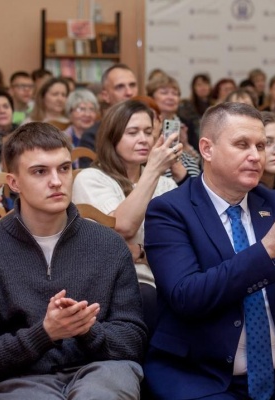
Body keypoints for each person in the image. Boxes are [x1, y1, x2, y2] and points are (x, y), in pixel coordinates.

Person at [143, 101, 275, 400]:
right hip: (199, 373)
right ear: (207, 149)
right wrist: (265, 250)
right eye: (242, 144)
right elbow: (187, 297)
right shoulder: (169, 211)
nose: (256, 156)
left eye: (260, 146)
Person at [0, 122, 146, 397]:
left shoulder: (109, 245)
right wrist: (45, 333)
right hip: (24, 378)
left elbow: (133, 342)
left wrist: (87, 330)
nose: (56, 181)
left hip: (102, 369)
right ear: (14, 183)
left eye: (64, 168)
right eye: (40, 171)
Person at [72, 100, 184, 332]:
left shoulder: (166, 184)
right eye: (133, 133)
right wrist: (153, 169)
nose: (144, 140)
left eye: (148, 132)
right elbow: (123, 227)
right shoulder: (92, 179)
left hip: (168, 279)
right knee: (149, 298)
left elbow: (179, 245)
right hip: (120, 284)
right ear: (112, 137)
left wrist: (140, 252)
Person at [78, 63, 139, 157]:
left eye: (132, 85)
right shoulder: (93, 136)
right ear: (105, 96)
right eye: (120, 87)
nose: (129, 92)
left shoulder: (149, 129)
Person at [147, 75, 201, 176]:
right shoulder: (145, 124)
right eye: (164, 93)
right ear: (151, 97)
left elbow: (199, 162)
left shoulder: (186, 125)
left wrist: (185, 145)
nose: (171, 97)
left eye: (175, 94)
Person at [177, 73, 213, 150]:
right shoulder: (187, 107)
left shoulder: (215, 106)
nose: (203, 87)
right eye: (199, 85)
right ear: (193, 88)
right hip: (193, 145)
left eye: (205, 84)